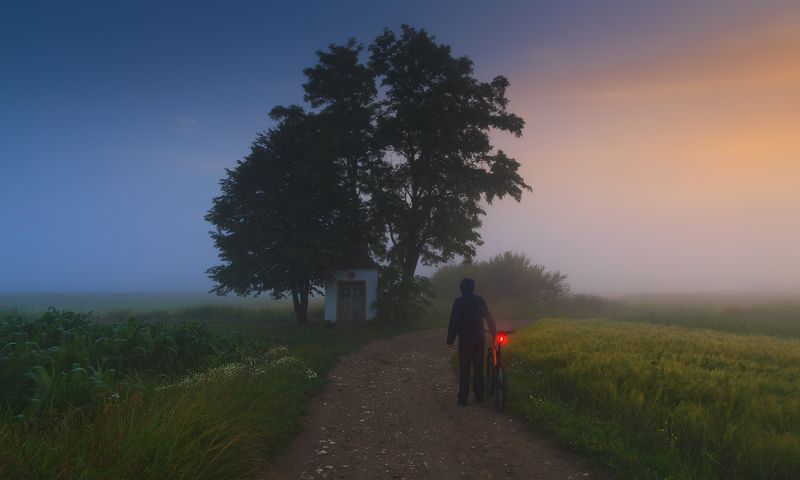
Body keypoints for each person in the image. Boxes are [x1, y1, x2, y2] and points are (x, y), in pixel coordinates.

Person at [446, 277, 497, 406]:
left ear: (461, 288)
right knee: (478, 369)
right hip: (479, 340)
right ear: (473, 288)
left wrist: (450, 340)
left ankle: (463, 399)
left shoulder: (459, 302)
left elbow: (454, 323)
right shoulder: (479, 301)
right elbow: (489, 318)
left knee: (465, 370)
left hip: (465, 341)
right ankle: (479, 397)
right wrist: (493, 333)